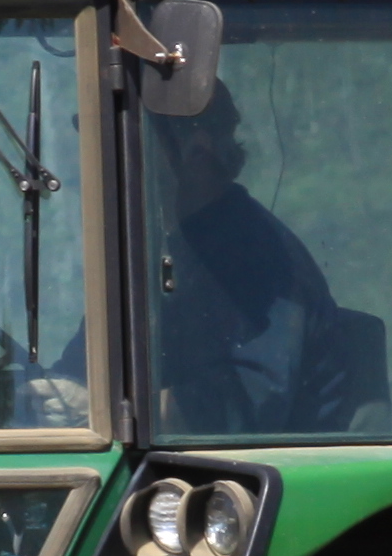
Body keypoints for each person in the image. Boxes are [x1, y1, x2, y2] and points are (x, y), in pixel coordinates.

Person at [144, 82, 343, 434]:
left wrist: (109, 414)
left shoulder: (257, 255)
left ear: (197, 150)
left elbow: (250, 405)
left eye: (140, 144)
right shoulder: (161, 249)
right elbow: (88, 368)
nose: (115, 166)